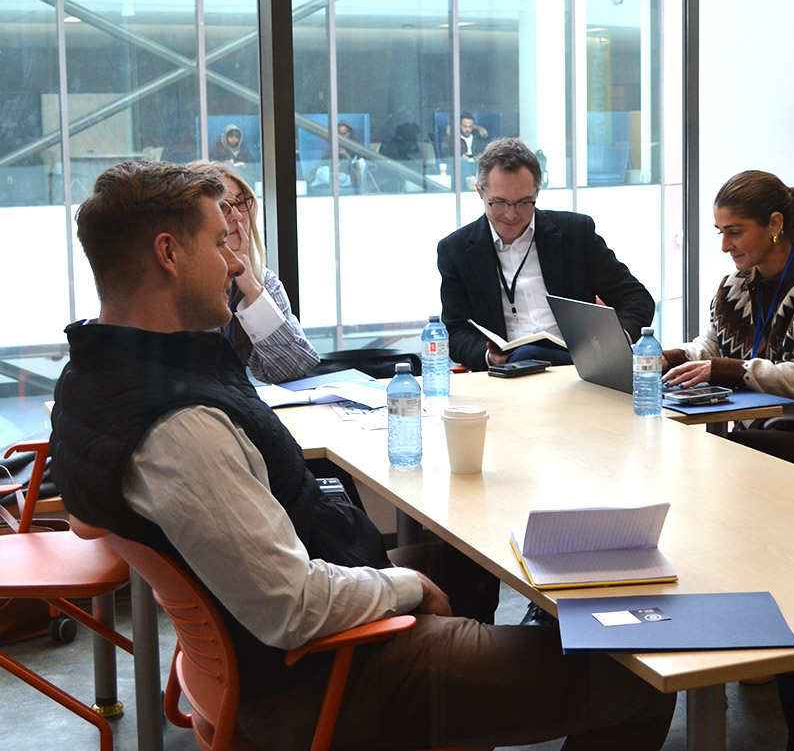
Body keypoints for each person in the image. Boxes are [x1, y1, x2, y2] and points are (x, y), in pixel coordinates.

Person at [48, 160, 675, 751]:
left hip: (280, 637)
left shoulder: (96, 378)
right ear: (168, 253)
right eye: (220, 243)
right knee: (643, 672)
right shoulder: (180, 427)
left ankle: (485, 690)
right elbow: (291, 607)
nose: (235, 261)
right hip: (322, 676)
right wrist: (403, 586)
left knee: (476, 564)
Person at [662, 170, 794, 483]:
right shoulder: (735, 286)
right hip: (766, 429)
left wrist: (723, 369)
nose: (724, 245)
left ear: (774, 224)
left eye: (734, 232)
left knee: (726, 457)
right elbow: (711, 348)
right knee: (717, 455)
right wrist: (671, 358)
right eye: (720, 232)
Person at [437, 137, 654, 371]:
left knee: (530, 353)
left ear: (538, 190)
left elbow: (637, 298)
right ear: (480, 192)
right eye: (499, 203)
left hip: (577, 366)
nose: (511, 215)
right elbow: (456, 330)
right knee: (524, 354)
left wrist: (612, 342)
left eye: (523, 203)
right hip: (509, 371)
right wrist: (490, 357)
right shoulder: (456, 250)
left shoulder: (575, 233)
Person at [187, 161, 318, 384]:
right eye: (223, 206)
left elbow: (293, 368)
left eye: (241, 203)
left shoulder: (264, 281)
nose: (237, 216)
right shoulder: (174, 284)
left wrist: (252, 289)